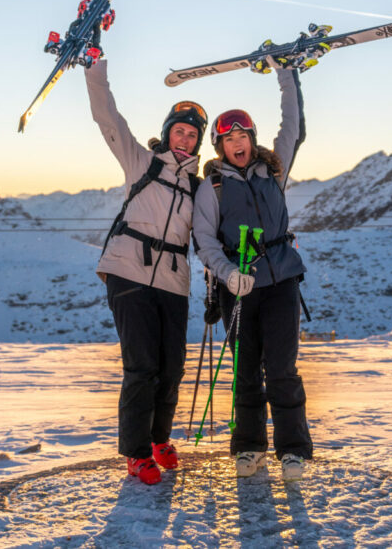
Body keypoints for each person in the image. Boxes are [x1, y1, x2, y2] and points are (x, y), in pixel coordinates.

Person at [85, 54, 207, 486]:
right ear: (167, 132)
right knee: (141, 367)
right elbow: (107, 117)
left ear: (198, 143)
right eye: (180, 130)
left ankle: (159, 440)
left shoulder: (199, 188)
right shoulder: (142, 162)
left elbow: (211, 234)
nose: (185, 139)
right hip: (127, 271)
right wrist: (95, 69)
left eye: (193, 135)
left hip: (174, 280)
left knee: (171, 367)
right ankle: (136, 454)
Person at [192, 64, 313, 482]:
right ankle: (249, 447)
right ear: (220, 146)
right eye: (229, 139)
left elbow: (293, 126)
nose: (237, 143)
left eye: (243, 136)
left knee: (282, 369)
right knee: (245, 370)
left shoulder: (274, 172)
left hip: (280, 282)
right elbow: (204, 240)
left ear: (253, 140)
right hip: (237, 287)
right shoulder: (213, 188)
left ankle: (292, 451)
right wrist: (226, 274)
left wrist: (286, 75)